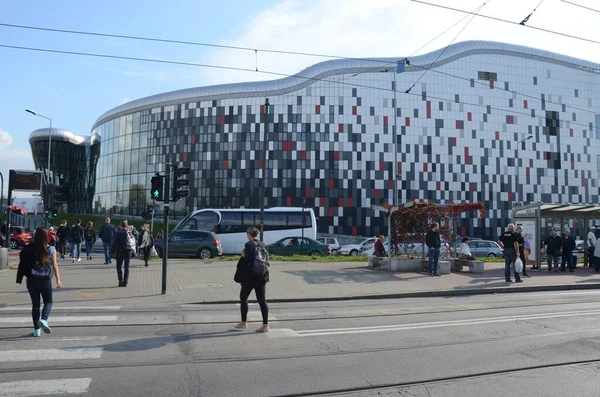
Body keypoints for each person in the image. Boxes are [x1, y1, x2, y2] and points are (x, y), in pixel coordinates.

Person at [16, 227, 62, 337]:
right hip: (45, 280)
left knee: (35, 305)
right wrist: (58, 279)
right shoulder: (51, 249)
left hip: (31, 280)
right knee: (48, 302)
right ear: (46, 237)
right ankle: (44, 320)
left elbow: (22, 261)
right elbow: (55, 265)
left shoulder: (29, 248)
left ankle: (36, 330)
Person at [234, 227, 270, 333]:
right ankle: (265, 325)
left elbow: (248, 260)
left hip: (250, 277)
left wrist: (243, 255)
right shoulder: (262, 244)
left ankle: (243, 323)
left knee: (243, 297)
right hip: (262, 276)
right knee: (262, 301)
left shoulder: (249, 244)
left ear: (249, 235)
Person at [114, 220, 134, 287]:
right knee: (126, 267)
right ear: (126, 225)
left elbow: (115, 242)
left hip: (120, 251)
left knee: (118, 266)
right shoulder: (129, 233)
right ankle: (125, 282)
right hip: (127, 251)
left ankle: (120, 280)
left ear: (120, 225)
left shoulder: (118, 233)